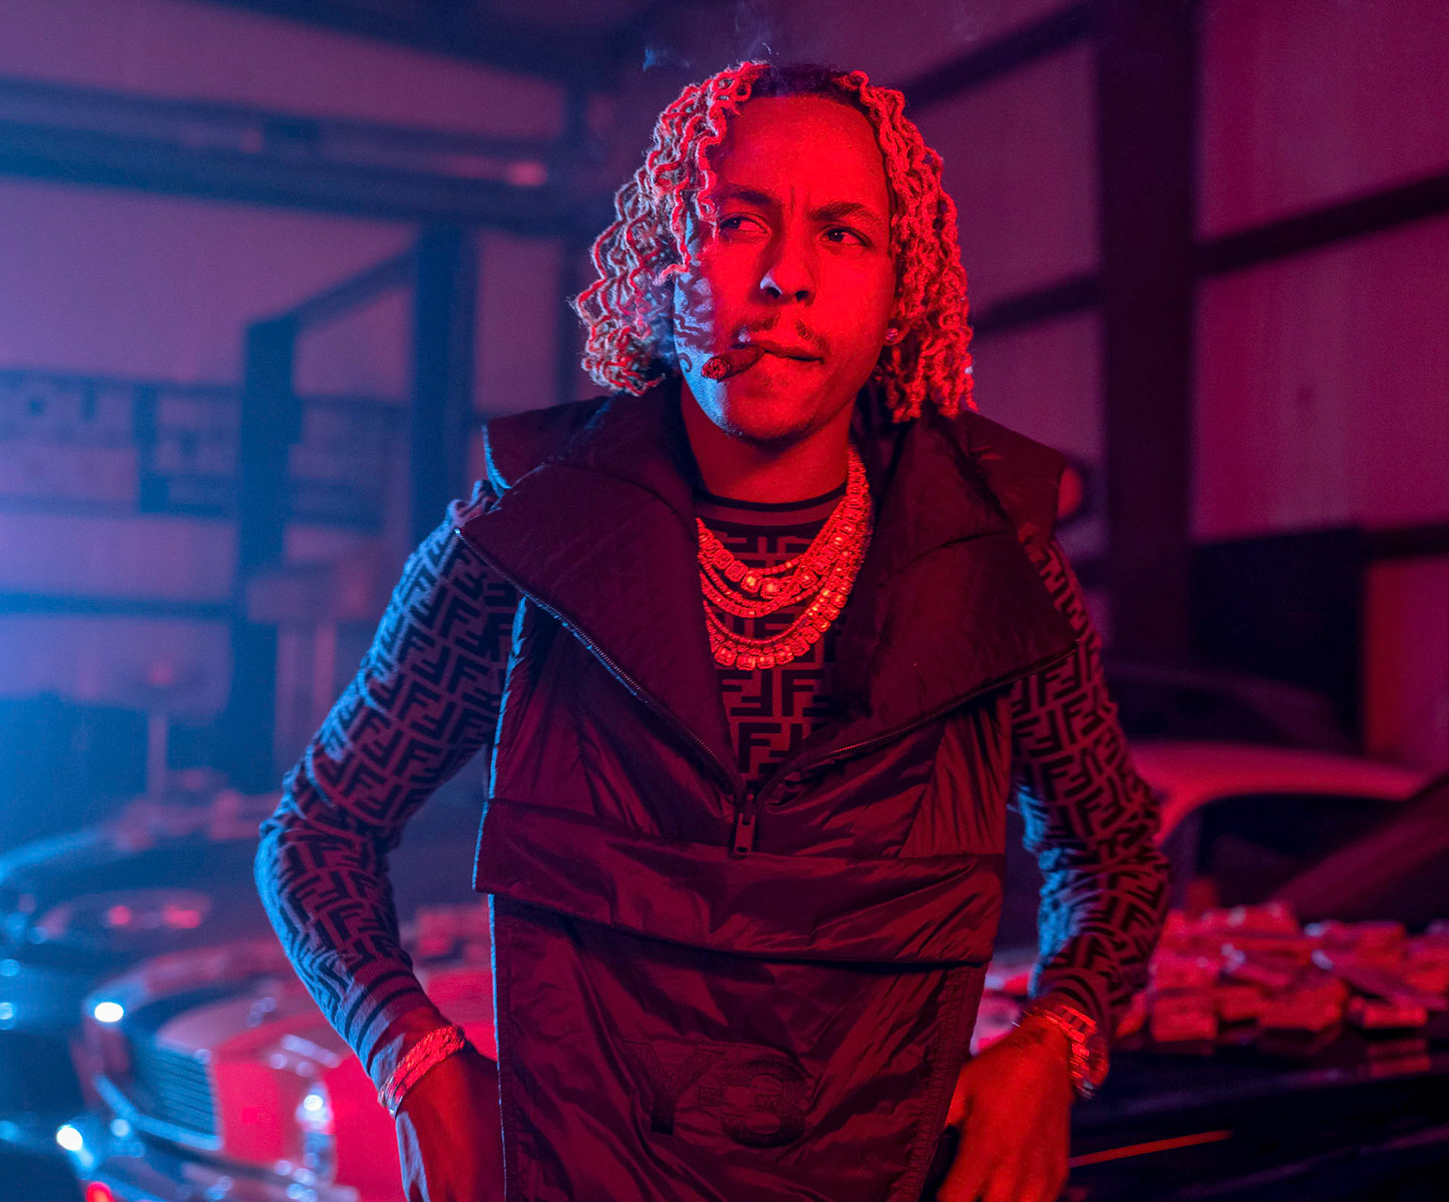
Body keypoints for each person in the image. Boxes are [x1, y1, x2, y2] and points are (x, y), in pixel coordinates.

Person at [256, 60, 1169, 1202]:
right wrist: (416, 1060)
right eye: (737, 223)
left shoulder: (992, 560)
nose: (785, 276)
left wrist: (1052, 1046)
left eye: (843, 234)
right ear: (661, 265)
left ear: (902, 289)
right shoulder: (521, 541)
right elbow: (318, 833)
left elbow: (1114, 854)